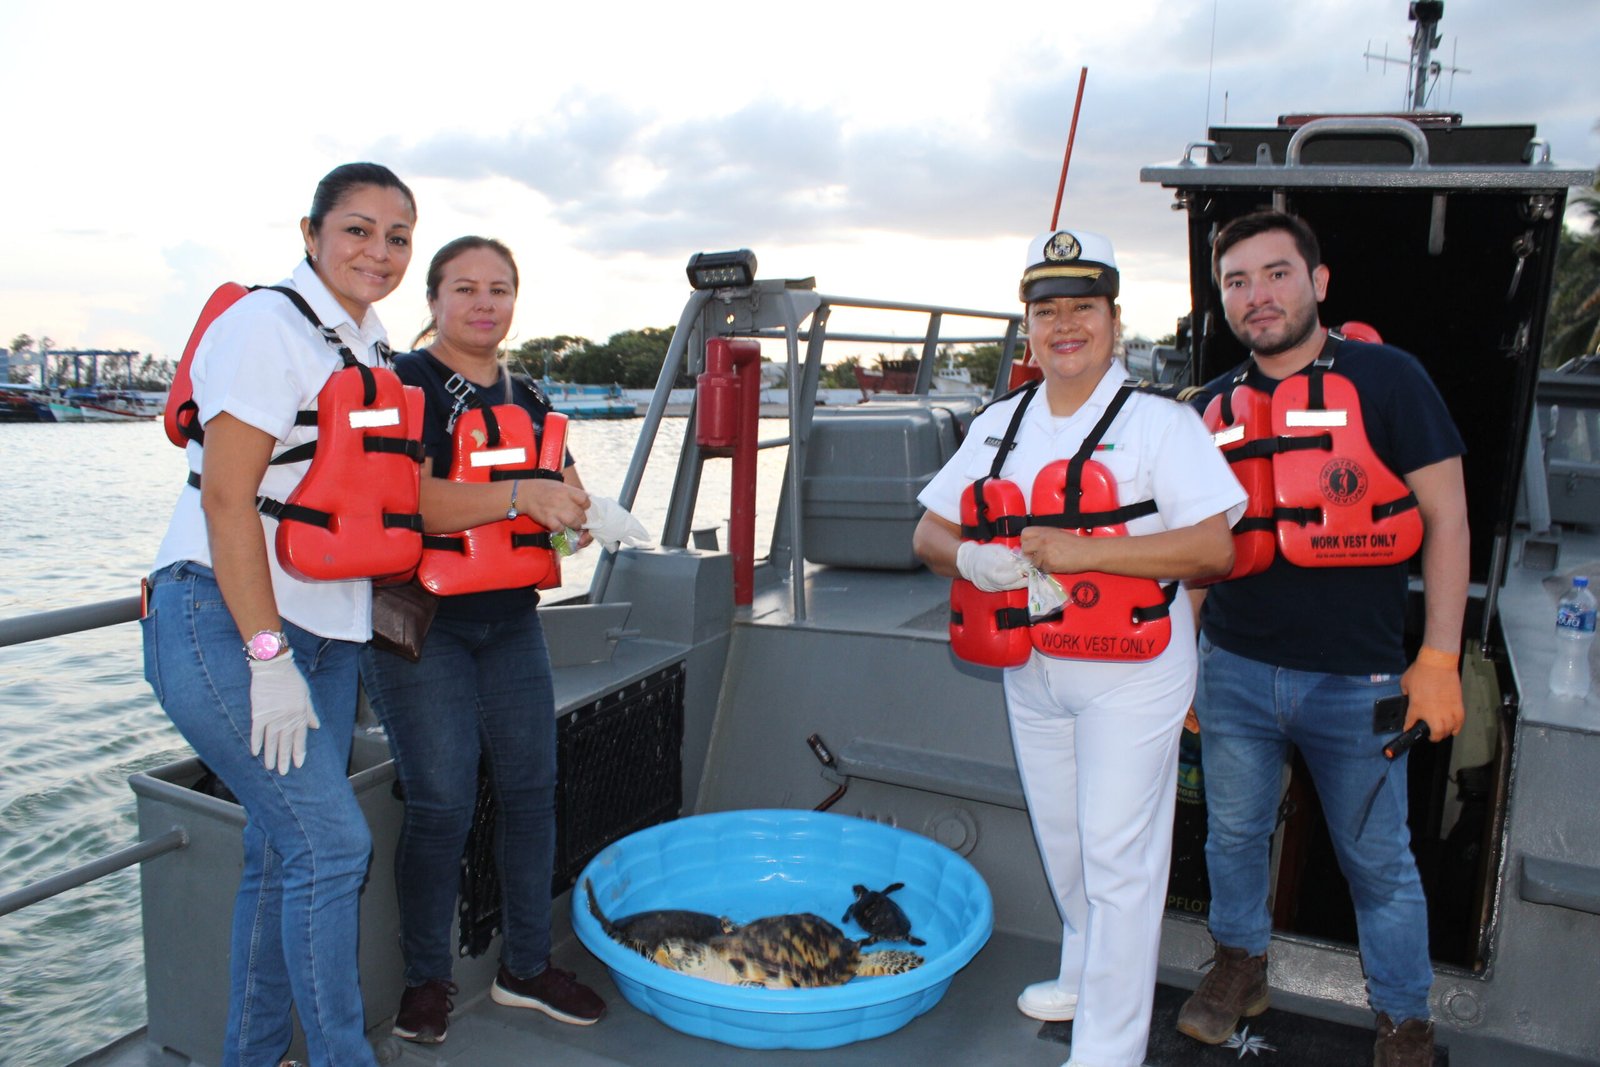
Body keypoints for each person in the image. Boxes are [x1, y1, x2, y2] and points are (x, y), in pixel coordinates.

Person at [913, 228, 1247, 1067]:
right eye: (1047, 311)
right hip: (1034, 666)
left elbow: (1213, 550)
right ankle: (1082, 972)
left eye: (1083, 309)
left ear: (1114, 319)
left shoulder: (1162, 426)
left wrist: (1085, 549)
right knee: (1065, 839)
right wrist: (974, 557)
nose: (1066, 326)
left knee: (1116, 853)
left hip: (1134, 667)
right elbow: (928, 530)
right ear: (1028, 327)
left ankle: (1109, 1048)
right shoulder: (999, 423)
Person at [1175, 210, 1468, 1067]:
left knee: (1378, 863)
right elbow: (1200, 554)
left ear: (1318, 282)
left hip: (1360, 680)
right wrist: (1186, 666)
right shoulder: (1210, 405)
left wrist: (1439, 659)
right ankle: (1240, 966)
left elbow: (1449, 520)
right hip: (1233, 669)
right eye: (1237, 281)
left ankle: (1405, 1020)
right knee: (1230, 836)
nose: (1257, 296)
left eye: (1275, 273)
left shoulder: (1390, 378)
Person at [141, 162, 418, 1066]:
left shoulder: (371, 348)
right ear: (310, 233)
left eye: (397, 236)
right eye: (358, 230)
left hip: (330, 636)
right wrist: (267, 655)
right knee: (332, 846)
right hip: (225, 620)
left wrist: (531, 498)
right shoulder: (269, 326)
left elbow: (395, 497)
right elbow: (227, 502)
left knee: (281, 854)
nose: (378, 252)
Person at [357, 236, 604, 1045]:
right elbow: (403, 501)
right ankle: (427, 980)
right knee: (441, 805)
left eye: (500, 288)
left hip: (511, 622)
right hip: (425, 624)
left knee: (535, 793)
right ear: (432, 299)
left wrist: (573, 521)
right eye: (465, 287)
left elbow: (553, 497)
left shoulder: (530, 396)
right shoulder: (402, 384)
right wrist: (518, 495)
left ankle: (525, 967)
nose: (484, 302)